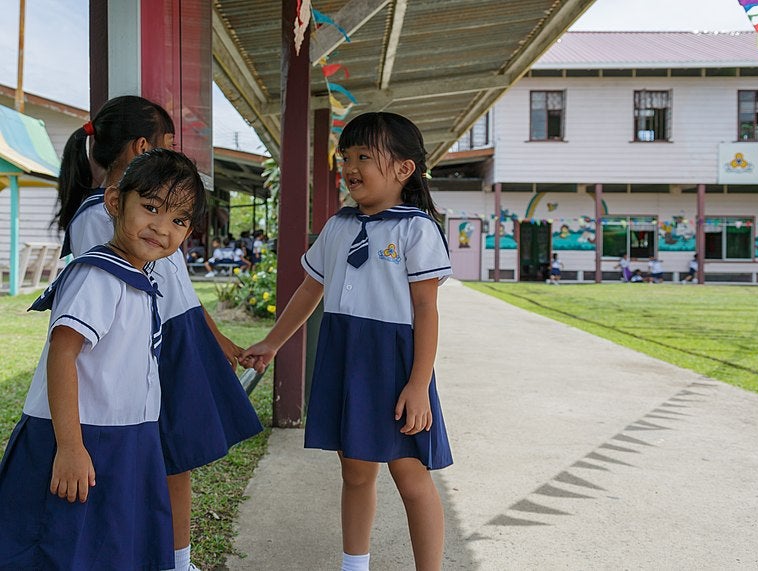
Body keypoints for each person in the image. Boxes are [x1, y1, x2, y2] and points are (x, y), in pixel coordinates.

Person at [54, 96, 262, 571]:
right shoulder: (98, 216)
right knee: (148, 461)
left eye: (181, 221)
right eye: (168, 142)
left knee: (176, 458)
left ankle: (178, 559)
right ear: (143, 146)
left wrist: (217, 340)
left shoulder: (160, 215)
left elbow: (177, 290)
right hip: (149, 349)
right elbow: (103, 300)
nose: (169, 225)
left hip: (177, 337)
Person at [240, 112, 453, 571]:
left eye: (364, 156)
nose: (351, 166)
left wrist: (418, 386)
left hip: (394, 365)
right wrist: (273, 343)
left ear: (403, 169)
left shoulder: (416, 229)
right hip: (344, 358)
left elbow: (426, 312)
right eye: (346, 157)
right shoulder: (338, 227)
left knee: (411, 476)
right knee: (355, 471)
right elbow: (309, 289)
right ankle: (354, 565)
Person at [0, 149, 206, 569]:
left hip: (125, 439)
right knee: (58, 548)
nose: (162, 228)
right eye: (151, 208)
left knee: (107, 547)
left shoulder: (139, 278)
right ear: (115, 202)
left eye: (179, 220)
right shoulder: (97, 275)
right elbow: (63, 354)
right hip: (79, 438)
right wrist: (71, 448)